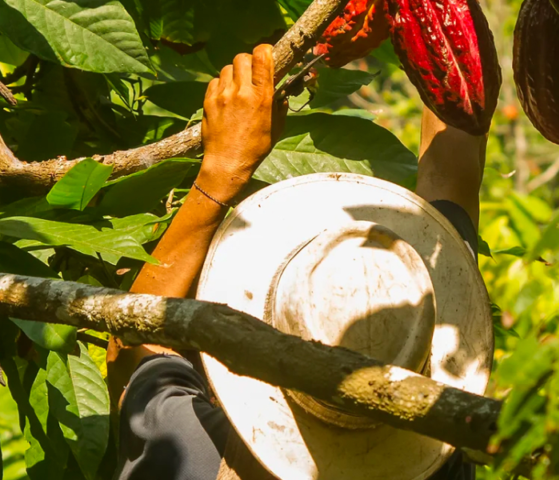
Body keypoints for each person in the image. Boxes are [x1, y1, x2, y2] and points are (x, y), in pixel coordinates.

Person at [106, 43, 489, 480]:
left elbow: (132, 343)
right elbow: (451, 169)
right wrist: (440, 29)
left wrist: (221, 172)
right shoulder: (439, 466)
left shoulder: (190, 452)